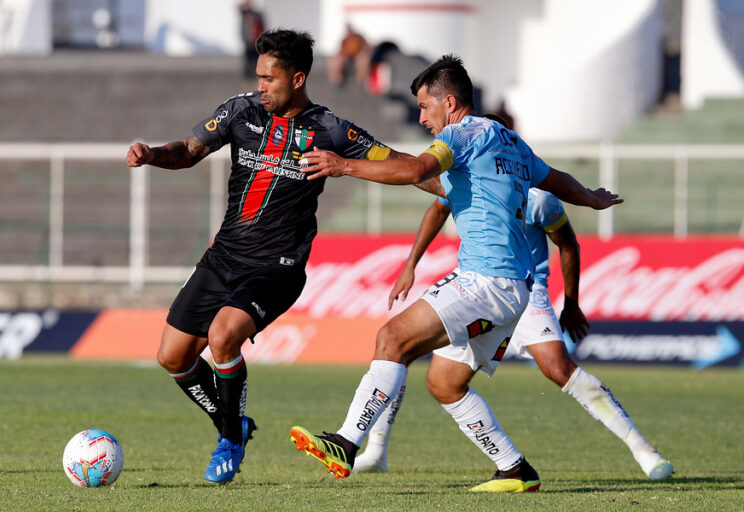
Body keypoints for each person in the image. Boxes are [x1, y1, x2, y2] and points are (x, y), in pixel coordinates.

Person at [288, 55, 622, 492]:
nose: (422, 117)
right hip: (514, 287)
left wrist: (342, 165)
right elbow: (552, 178)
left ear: (450, 101)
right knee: (445, 383)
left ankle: (346, 443)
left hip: (486, 282)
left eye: (426, 107)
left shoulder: (462, 133)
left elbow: (417, 170)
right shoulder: (506, 140)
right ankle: (515, 470)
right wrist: (591, 198)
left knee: (392, 339)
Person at [125, 29, 399, 485]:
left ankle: (230, 440)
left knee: (223, 336)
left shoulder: (330, 128)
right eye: (257, 78)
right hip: (224, 257)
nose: (261, 87)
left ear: (297, 78)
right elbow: (189, 151)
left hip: (277, 267)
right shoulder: (240, 111)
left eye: (269, 79)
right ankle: (235, 426)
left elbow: (396, 162)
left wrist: (439, 177)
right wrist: (152, 154)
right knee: (172, 357)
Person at [352, 186, 674, 481]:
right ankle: (377, 451)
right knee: (421, 366)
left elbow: (568, 245)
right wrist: (411, 264)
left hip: (526, 292)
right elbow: (437, 209)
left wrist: (572, 304)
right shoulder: (467, 181)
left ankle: (643, 450)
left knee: (558, 368)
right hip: (476, 291)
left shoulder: (539, 200)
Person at [239, 0, 264, 79]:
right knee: (249, 62)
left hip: (256, 43)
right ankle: (249, 78)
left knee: (256, 61)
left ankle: (256, 77)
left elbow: (261, 27)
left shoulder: (257, 16)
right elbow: (239, 8)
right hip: (249, 43)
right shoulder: (245, 16)